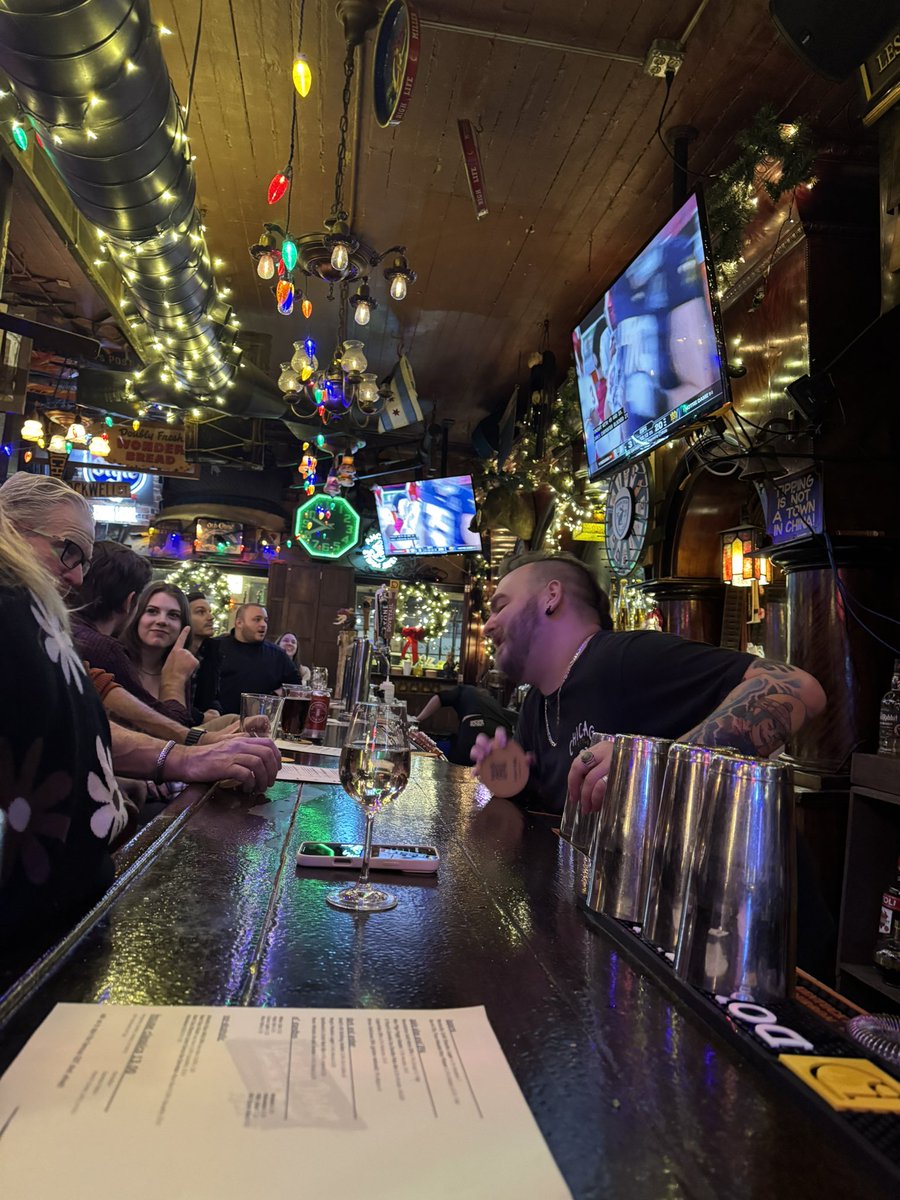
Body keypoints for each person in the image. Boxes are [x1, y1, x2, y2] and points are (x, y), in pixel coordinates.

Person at [0, 473, 279, 949]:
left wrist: (191, 747)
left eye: (83, 563)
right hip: (25, 935)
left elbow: (76, 723)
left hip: (65, 911)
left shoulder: (36, 620)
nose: (76, 577)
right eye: (68, 551)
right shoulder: (15, 611)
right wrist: (188, 739)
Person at [472, 551, 826, 815]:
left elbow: (798, 687)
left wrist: (652, 764)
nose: (488, 626)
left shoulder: (623, 658)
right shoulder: (539, 702)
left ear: (551, 596)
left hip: (734, 904)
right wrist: (509, 780)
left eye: (500, 606)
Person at [118, 583, 198, 718]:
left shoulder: (181, 669)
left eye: (173, 615)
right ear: (137, 616)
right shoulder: (116, 660)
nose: (162, 621)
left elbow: (180, 728)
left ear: (183, 626)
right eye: (152, 611)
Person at [215, 604, 301, 714]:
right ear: (239, 623)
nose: (263, 624)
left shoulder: (277, 655)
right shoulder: (217, 647)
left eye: (265, 620)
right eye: (257, 620)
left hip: (261, 724)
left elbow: (296, 687)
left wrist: (276, 695)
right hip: (220, 723)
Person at [417, 685, 516, 767]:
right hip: (503, 734)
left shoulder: (463, 690)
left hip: (475, 726)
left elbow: (439, 698)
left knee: (460, 768)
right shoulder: (491, 701)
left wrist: (418, 719)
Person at [187, 590, 225, 717]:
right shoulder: (170, 653)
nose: (210, 617)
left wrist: (214, 709)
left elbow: (214, 696)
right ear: (184, 617)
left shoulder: (211, 652)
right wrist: (201, 717)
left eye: (209, 611)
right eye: (201, 612)